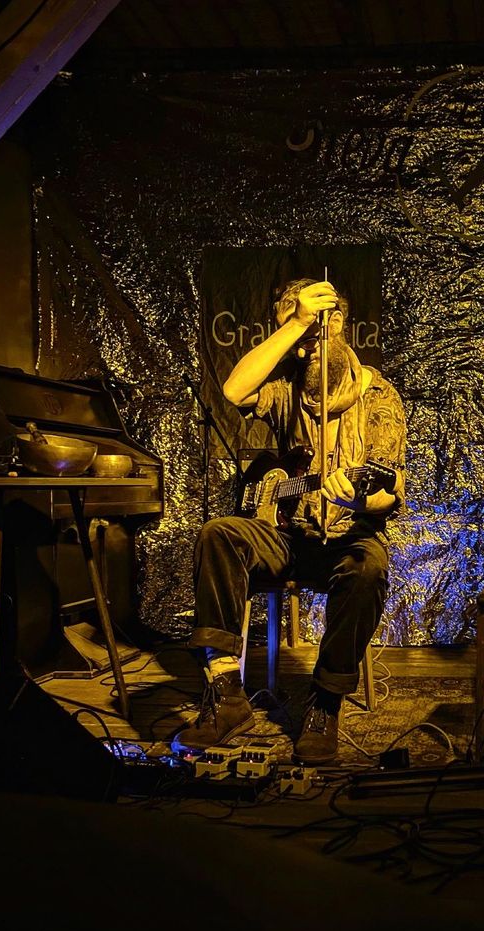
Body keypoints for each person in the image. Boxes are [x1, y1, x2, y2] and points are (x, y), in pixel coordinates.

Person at [174, 278, 406, 763]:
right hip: (286, 538)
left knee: (368, 569)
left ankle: (325, 703)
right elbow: (235, 389)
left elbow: (389, 493)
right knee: (219, 533)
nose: (304, 352)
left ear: (338, 323)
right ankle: (226, 694)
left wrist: (361, 501)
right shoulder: (284, 391)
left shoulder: (380, 396)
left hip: (348, 539)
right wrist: (298, 323)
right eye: (295, 341)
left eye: (314, 335)